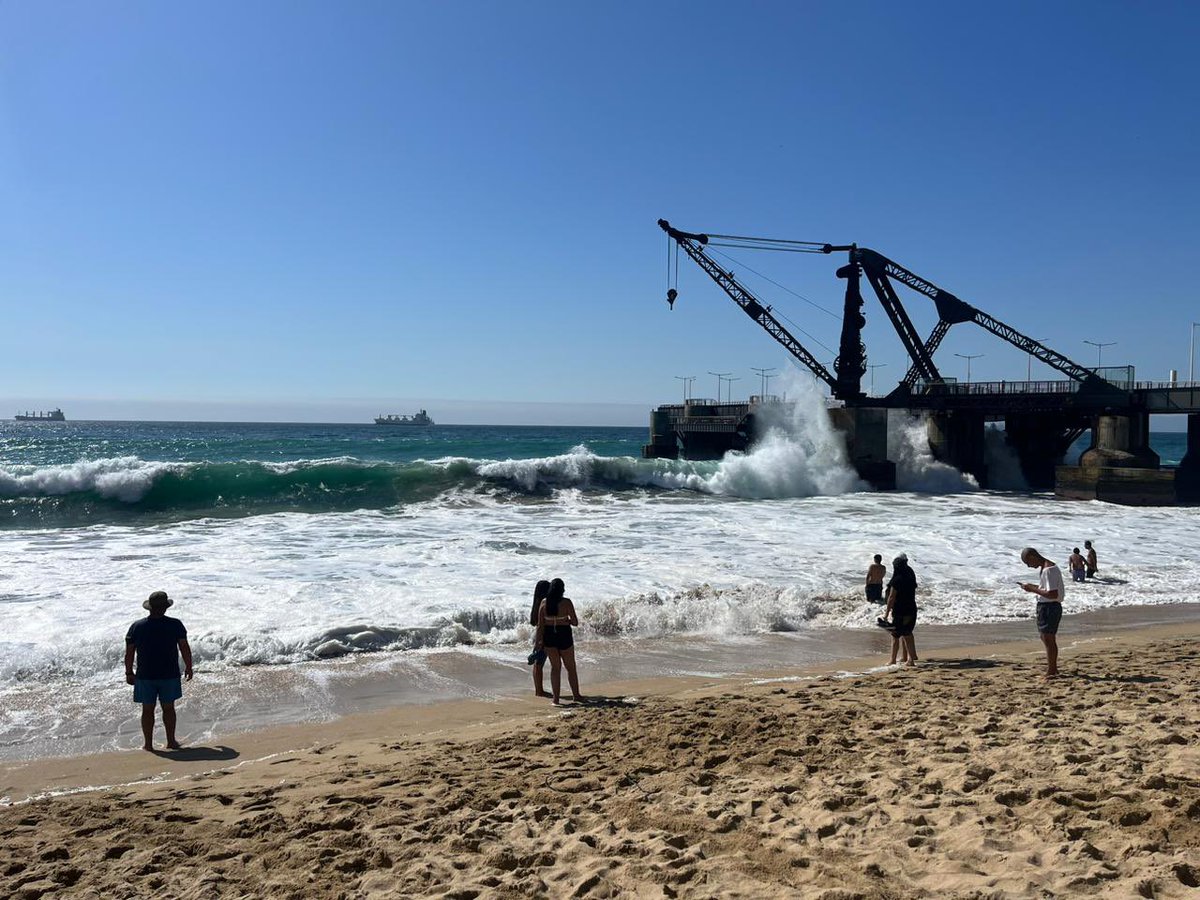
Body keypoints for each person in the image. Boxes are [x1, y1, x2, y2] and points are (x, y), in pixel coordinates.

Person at [124, 590, 193, 751]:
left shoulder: (137, 626)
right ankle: (171, 741)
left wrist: (129, 672)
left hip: (145, 675)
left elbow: (129, 652)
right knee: (168, 708)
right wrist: (189, 666)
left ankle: (148, 744)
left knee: (147, 710)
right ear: (165, 608)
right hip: (169, 673)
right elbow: (184, 647)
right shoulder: (175, 624)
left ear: (150, 608)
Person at [536, 577, 583, 705]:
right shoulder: (567, 602)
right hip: (564, 635)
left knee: (555, 668)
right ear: (562, 590)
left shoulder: (544, 603)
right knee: (570, 667)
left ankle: (556, 699)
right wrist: (566, 620)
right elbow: (575, 622)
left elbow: (540, 625)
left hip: (549, 637)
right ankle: (576, 695)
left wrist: (538, 643)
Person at [1020, 547, 1065, 677]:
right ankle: (1053, 668)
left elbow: (1052, 594)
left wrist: (1033, 590)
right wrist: (1033, 587)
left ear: (1033, 557)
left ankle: (1052, 670)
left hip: (1049, 607)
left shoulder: (1048, 570)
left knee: (1048, 639)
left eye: (1028, 562)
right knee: (1046, 638)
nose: (1029, 566)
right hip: (1049, 606)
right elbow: (1047, 590)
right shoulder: (1047, 568)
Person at [884, 554, 918, 666]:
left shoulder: (897, 580)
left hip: (900, 610)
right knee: (907, 633)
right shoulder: (910, 574)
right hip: (911, 608)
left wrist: (887, 613)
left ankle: (892, 660)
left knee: (895, 636)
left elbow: (892, 597)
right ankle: (909, 659)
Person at [527, 580, 551, 697]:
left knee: (537, 663)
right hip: (544, 636)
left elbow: (535, 624)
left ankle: (538, 689)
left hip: (538, 636)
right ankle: (539, 691)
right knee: (540, 663)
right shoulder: (545, 604)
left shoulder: (536, 604)